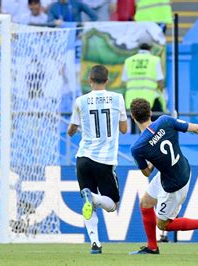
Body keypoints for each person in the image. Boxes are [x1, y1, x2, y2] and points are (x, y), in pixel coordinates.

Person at [129, 98, 198, 255]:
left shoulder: (137, 147)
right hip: (179, 168)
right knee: (145, 203)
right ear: (151, 113)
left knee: (164, 225)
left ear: (132, 116)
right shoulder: (165, 121)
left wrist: (153, 162)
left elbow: (146, 172)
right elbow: (196, 128)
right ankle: (152, 247)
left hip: (174, 183)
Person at [67, 65, 128, 254]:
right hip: (105, 160)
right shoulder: (118, 98)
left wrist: (75, 130)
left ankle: (95, 243)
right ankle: (92, 197)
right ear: (107, 80)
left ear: (90, 81)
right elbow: (124, 129)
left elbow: (71, 130)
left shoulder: (80, 101)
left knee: (89, 205)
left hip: (83, 158)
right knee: (111, 205)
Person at [122, 42, 166, 133]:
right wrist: (161, 92)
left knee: (135, 127)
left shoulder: (129, 60)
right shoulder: (154, 60)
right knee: (155, 126)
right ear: (150, 48)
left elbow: (124, 81)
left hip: (132, 100)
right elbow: (160, 81)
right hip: (151, 99)